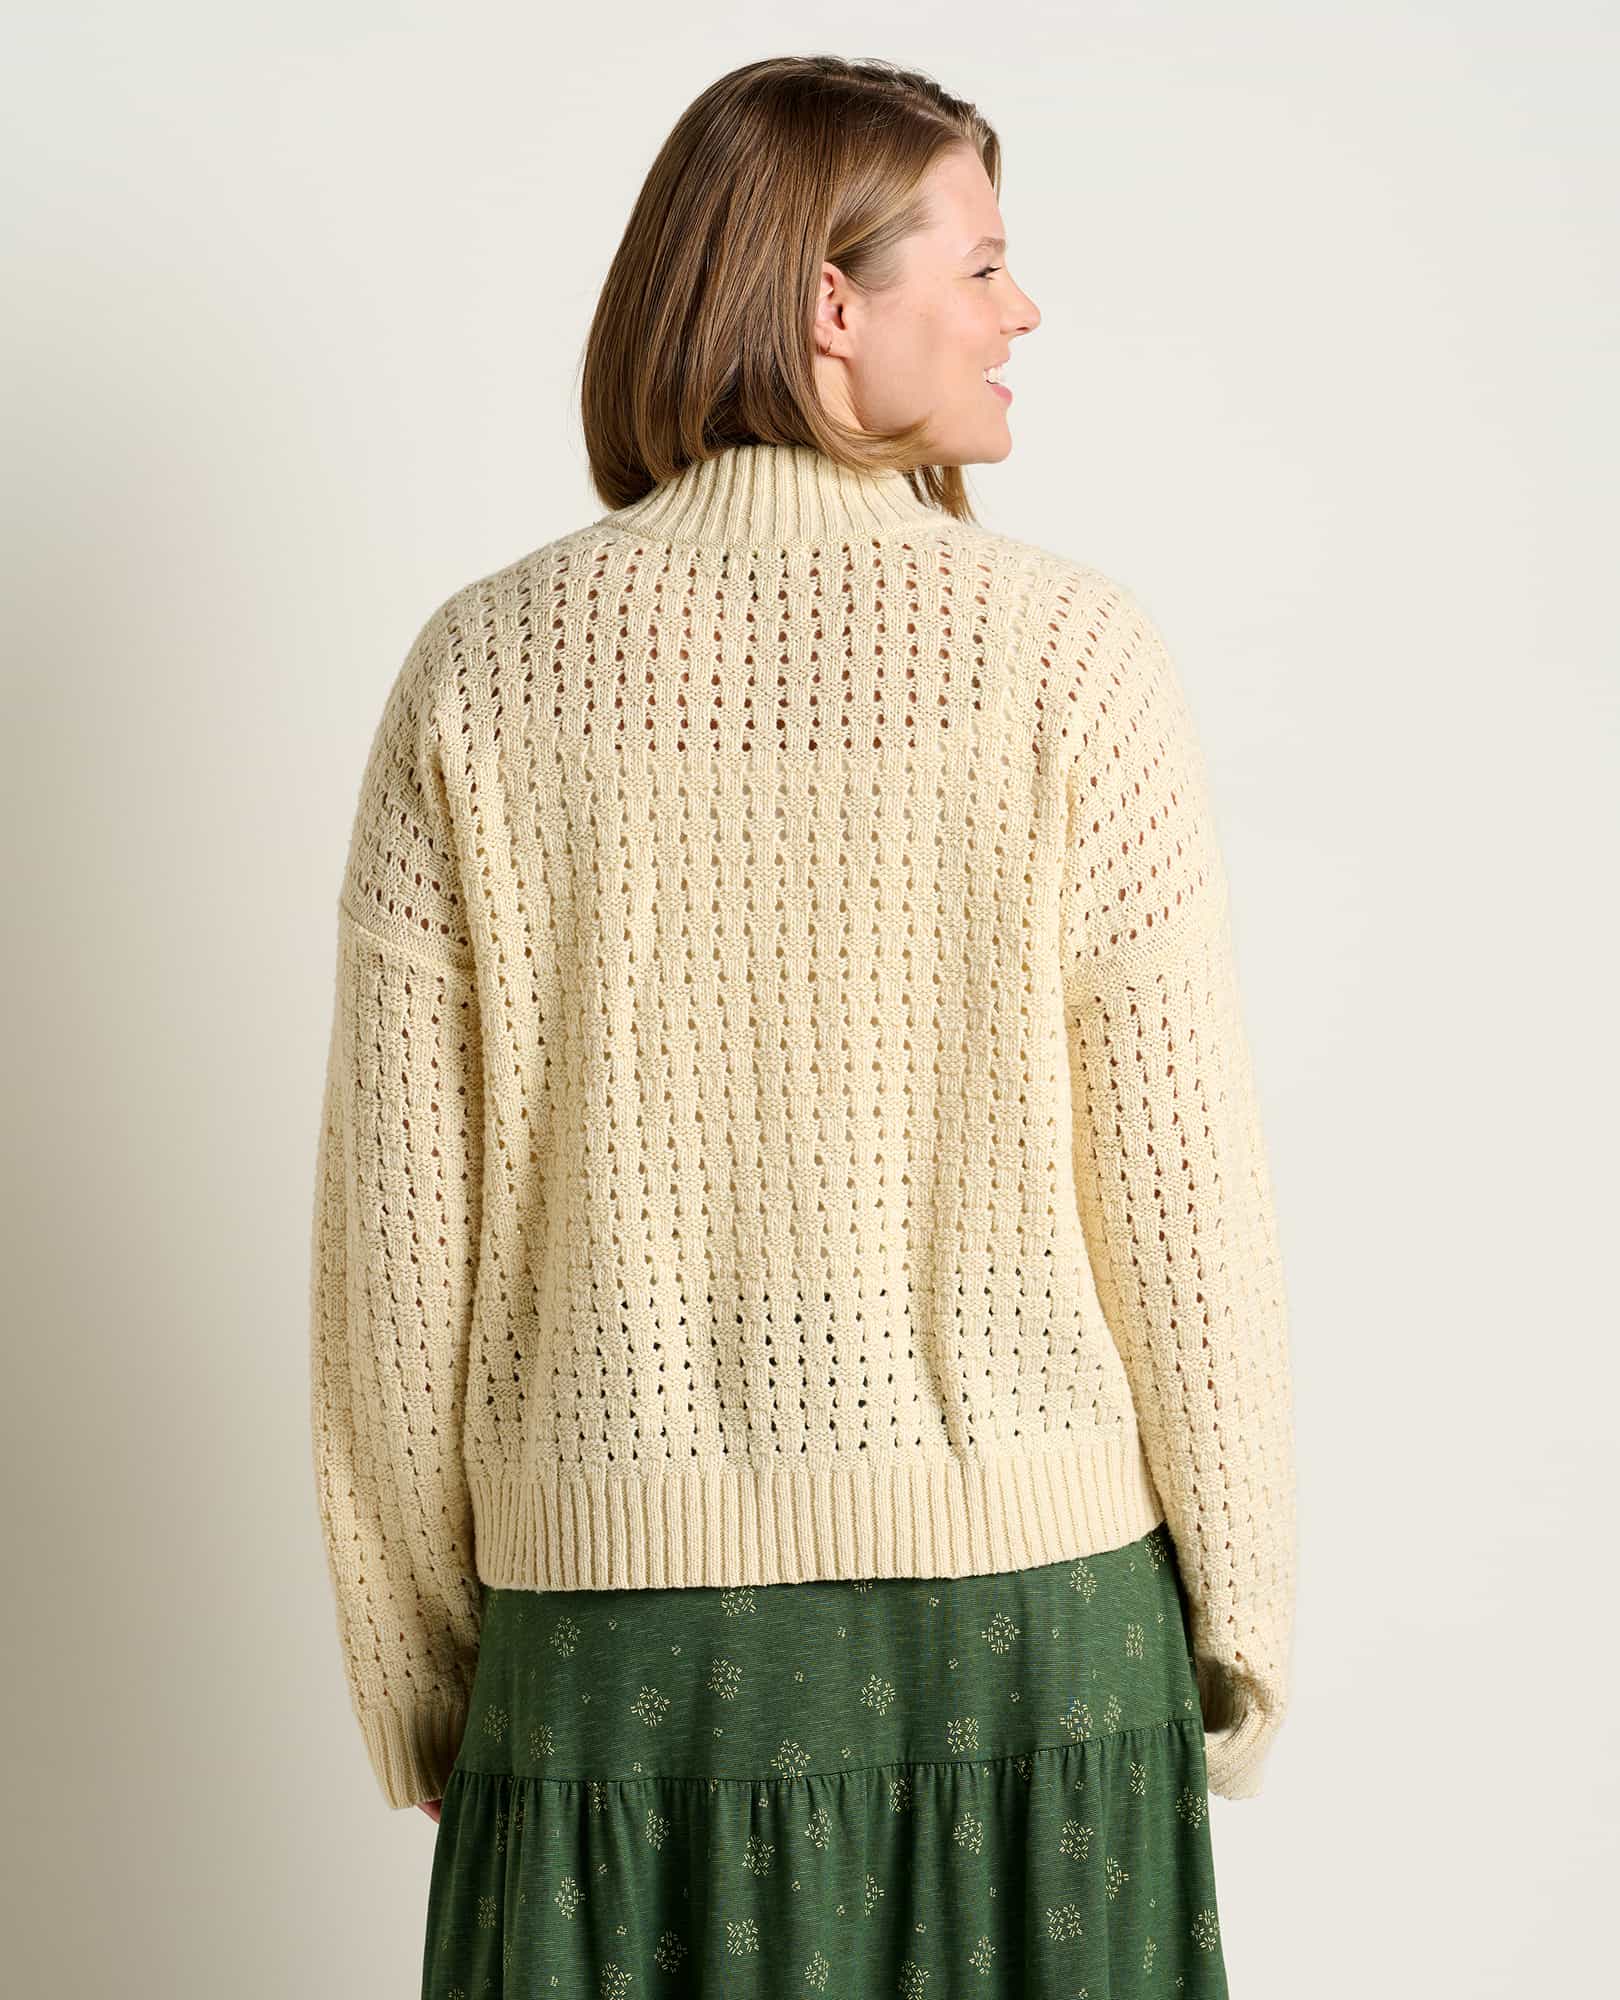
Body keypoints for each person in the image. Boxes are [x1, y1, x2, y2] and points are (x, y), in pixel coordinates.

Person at [308, 53, 1296, 1999]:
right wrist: (1239, 1620)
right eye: (984, 263)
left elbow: (395, 1257)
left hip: (610, 1664)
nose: (1023, 310)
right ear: (830, 303)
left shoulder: (479, 671)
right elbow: (1186, 1203)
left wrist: (425, 1667)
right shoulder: (1071, 655)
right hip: (1033, 1653)